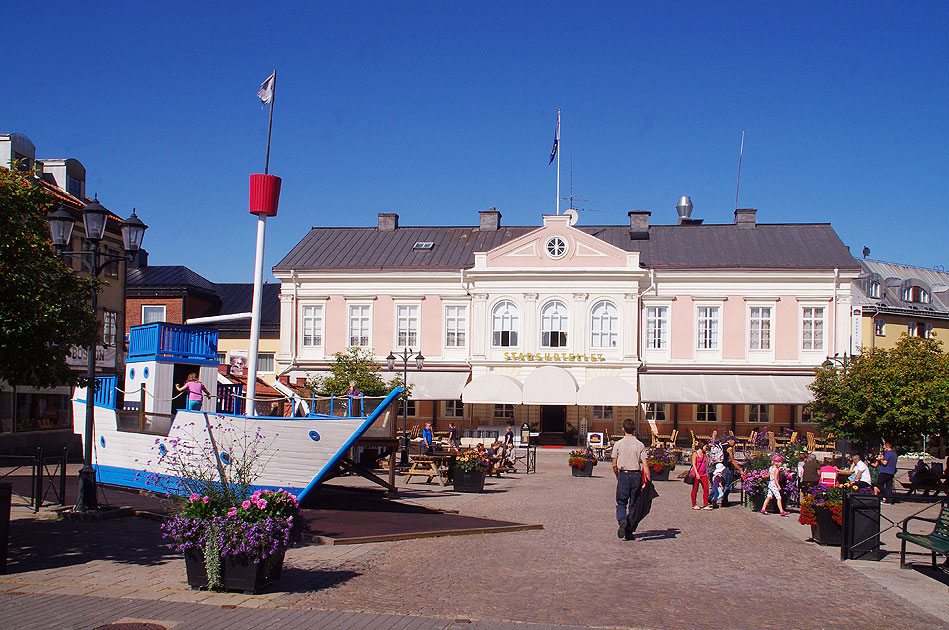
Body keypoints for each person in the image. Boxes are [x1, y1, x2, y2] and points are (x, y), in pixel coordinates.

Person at [612, 418, 650, 541]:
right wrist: (648, 480)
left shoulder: (618, 444)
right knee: (634, 504)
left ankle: (622, 520)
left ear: (623, 429)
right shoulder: (640, 445)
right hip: (636, 476)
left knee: (621, 502)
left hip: (623, 474)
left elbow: (614, 464)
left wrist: (617, 475)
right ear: (634, 429)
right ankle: (629, 530)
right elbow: (645, 464)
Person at [721, 435, 744, 507]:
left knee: (721, 484)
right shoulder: (729, 448)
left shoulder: (722, 445)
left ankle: (712, 499)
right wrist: (740, 470)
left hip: (720, 466)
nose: (735, 444)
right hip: (726, 468)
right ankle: (724, 501)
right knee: (727, 484)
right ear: (730, 440)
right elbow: (733, 461)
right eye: (734, 442)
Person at [690, 441, 711, 510]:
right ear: (702, 446)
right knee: (695, 489)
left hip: (703, 473)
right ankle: (694, 504)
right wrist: (696, 474)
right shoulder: (695, 453)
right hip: (697, 474)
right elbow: (694, 464)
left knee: (706, 489)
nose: (706, 448)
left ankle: (705, 504)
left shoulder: (705, 454)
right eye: (705, 446)